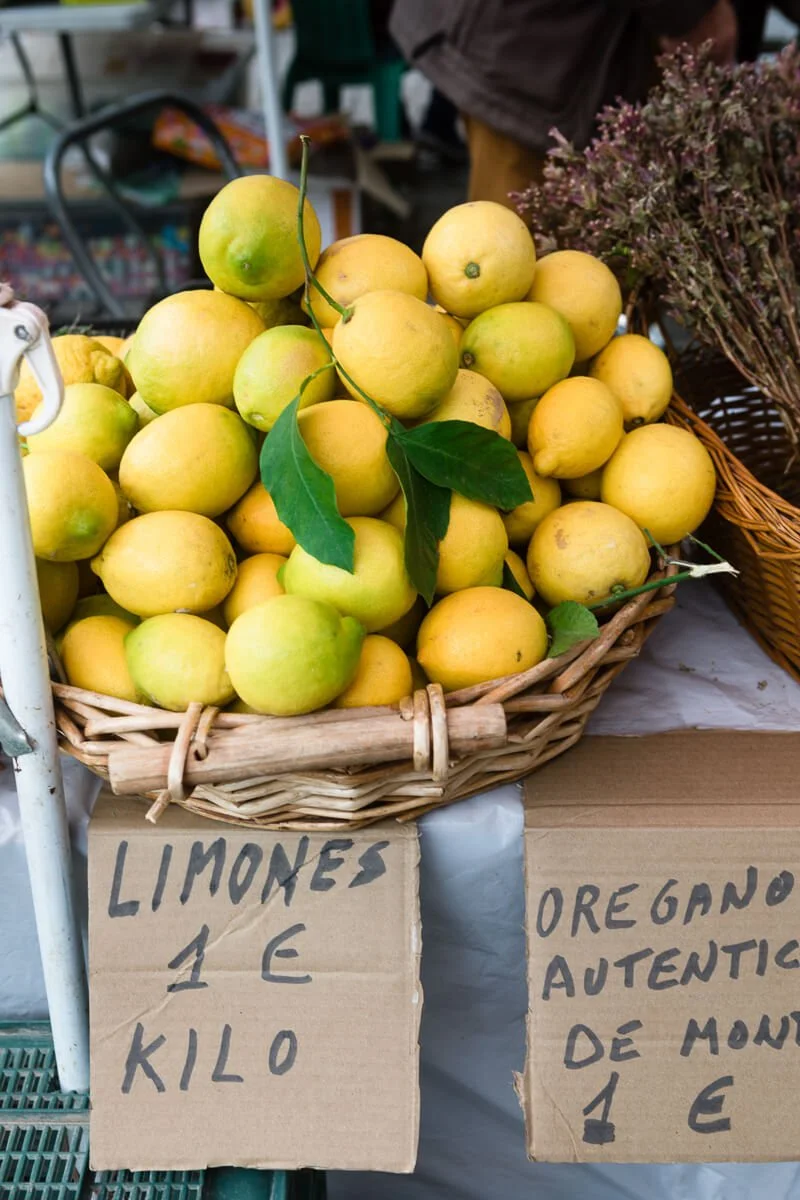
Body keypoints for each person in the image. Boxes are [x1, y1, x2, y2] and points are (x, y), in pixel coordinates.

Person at [390, 0, 738, 207]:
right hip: (532, 56)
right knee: (512, 263)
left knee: (596, 284)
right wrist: (690, 12)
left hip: (593, 64)